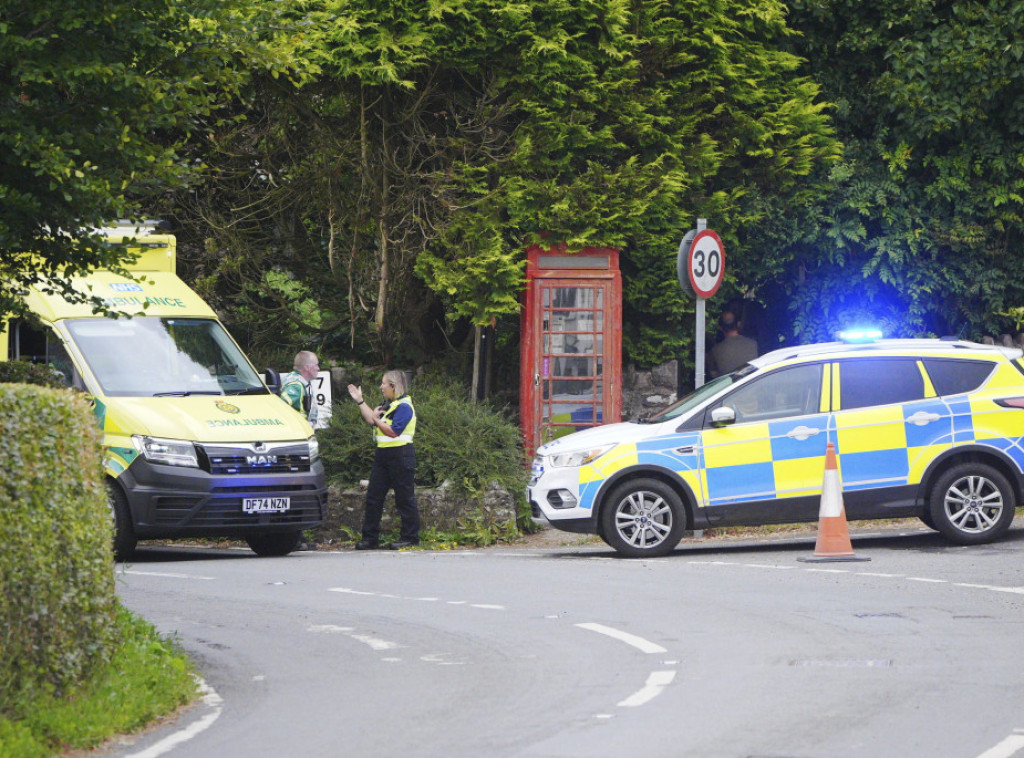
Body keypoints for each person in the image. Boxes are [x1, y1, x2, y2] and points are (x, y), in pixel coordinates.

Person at [347, 370, 420, 550]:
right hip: (383, 454)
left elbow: (394, 431)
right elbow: (372, 420)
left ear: (393, 386)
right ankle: (370, 538)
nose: (381, 387)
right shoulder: (391, 404)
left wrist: (376, 420)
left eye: (384, 383)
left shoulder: (404, 406)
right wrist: (360, 401)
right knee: (374, 497)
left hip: (400, 454)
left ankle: (410, 538)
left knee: (404, 498)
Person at [708, 311, 758, 377]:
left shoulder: (715, 350)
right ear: (739, 324)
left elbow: (714, 374)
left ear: (720, 327)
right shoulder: (754, 344)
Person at [280, 351, 319, 426]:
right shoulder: (296, 386)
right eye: (316, 365)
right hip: (296, 432)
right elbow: (281, 404)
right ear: (307, 367)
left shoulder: (298, 381)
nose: (318, 368)